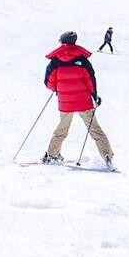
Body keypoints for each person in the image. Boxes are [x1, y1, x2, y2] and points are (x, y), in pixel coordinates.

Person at [42, 32, 113, 169]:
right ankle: (107, 155)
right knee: (95, 129)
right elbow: (90, 79)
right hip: (83, 101)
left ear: (62, 42)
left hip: (65, 101)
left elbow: (48, 82)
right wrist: (95, 95)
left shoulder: (55, 61)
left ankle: (52, 154)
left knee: (62, 129)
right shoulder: (82, 60)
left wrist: (57, 89)